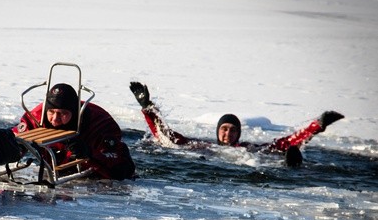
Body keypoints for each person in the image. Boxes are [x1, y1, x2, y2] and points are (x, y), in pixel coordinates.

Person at [129, 81, 344, 166]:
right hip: (210, 163)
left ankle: (292, 168)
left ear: (239, 133)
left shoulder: (250, 149)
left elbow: (287, 142)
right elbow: (166, 136)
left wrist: (318, 125)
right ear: (217, 132)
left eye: (233, 130)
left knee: (280, 155)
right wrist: (148, 107)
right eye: (224, 129)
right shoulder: (201, 146)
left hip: (251, 165)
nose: (228, 134)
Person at [14, 83, 136, 180]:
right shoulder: (36, 116)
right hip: (54, 170)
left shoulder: (100, 122)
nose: (55, 119)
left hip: (91, 179)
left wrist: (89, 153)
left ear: (75, 113)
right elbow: (14, 139)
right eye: (51, 112)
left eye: (63, 114)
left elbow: (123, 168)